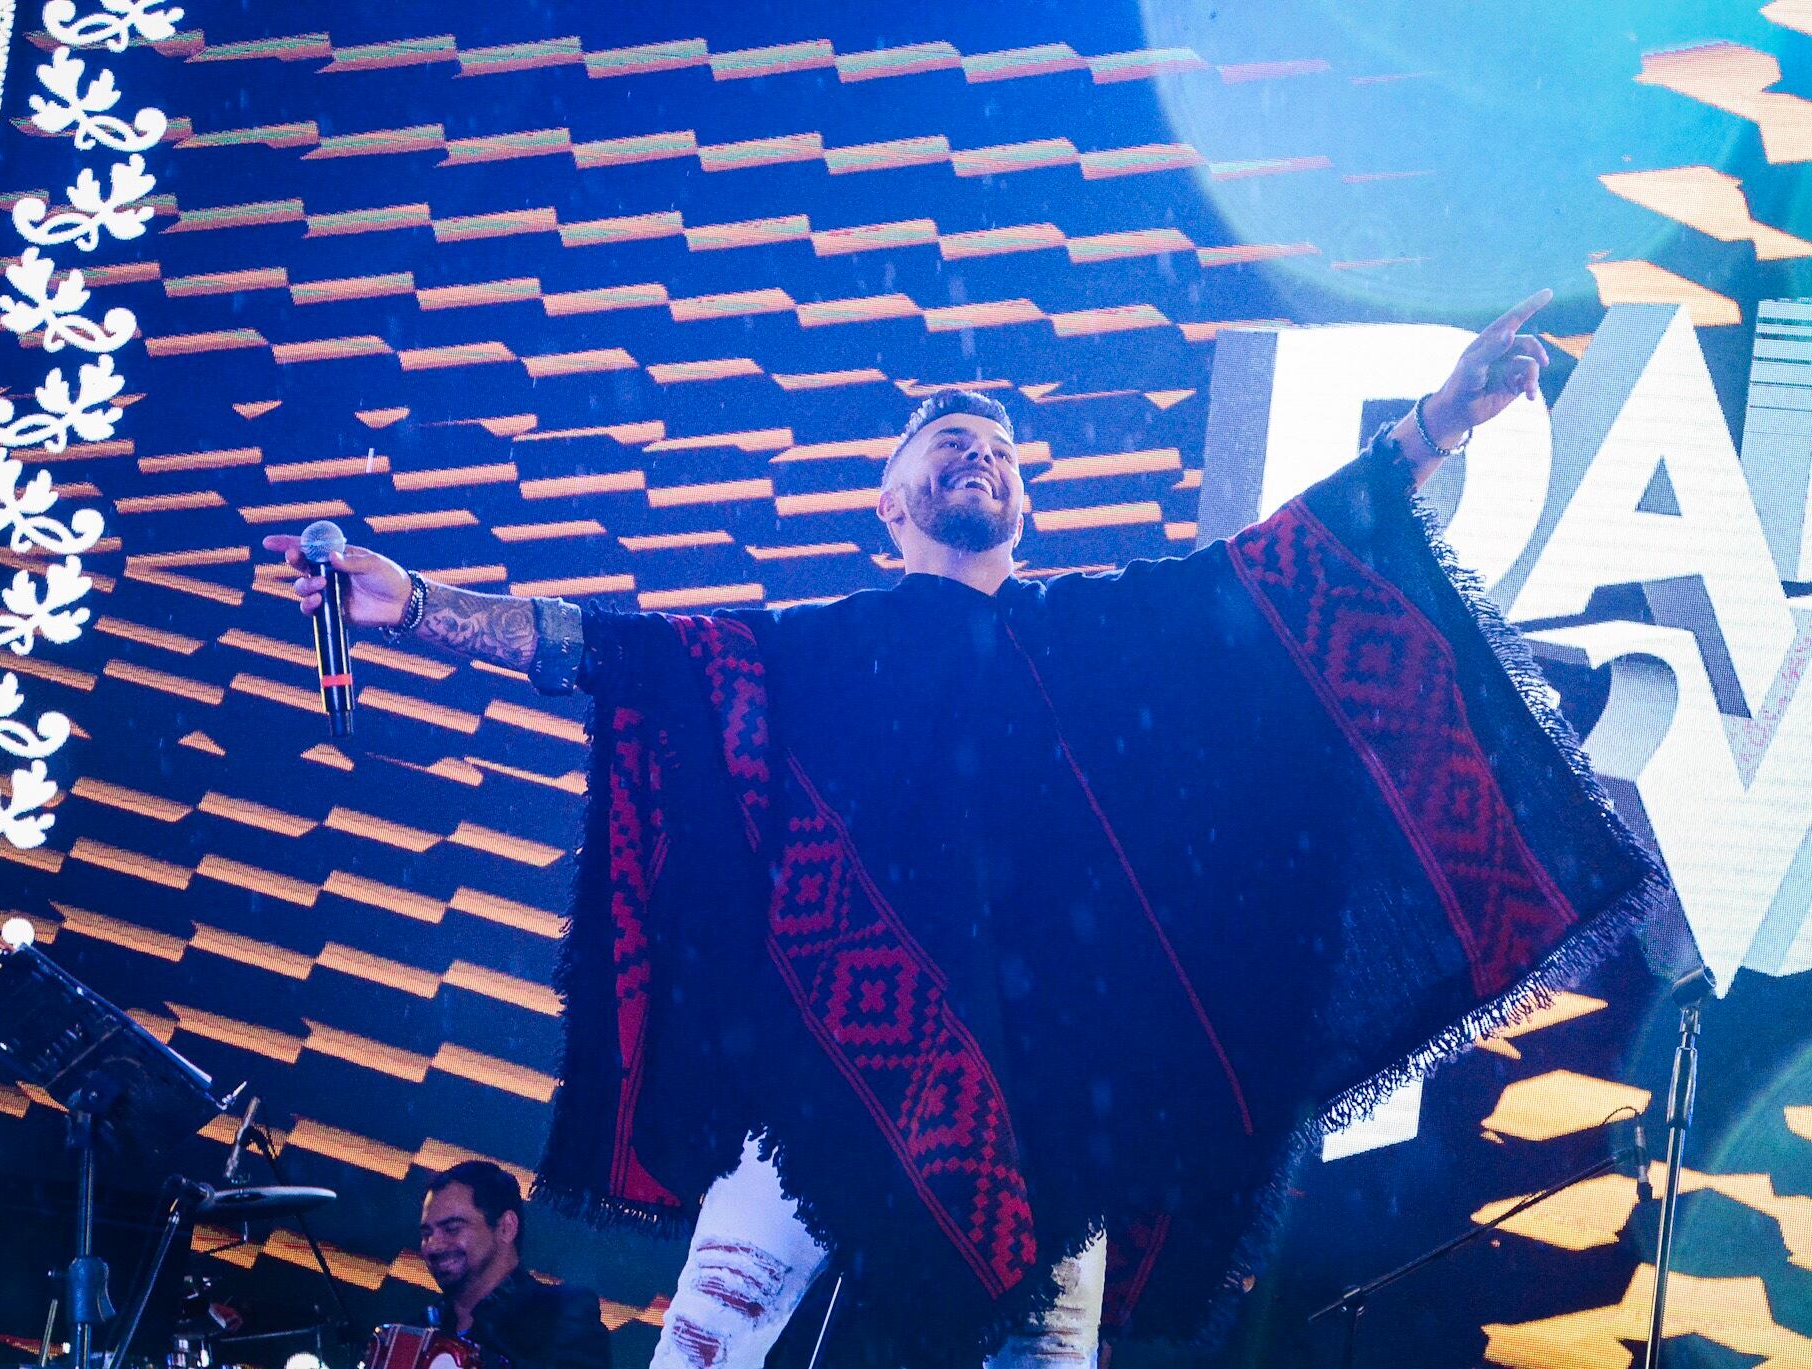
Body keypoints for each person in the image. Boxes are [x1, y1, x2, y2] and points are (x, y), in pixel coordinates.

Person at [268, 293, 1675, 1366]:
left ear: (1021, 498)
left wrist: (1430, 430)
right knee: (710, 1340)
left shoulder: (1086, 639)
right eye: (948, 446)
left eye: (997, 450)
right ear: (891, 505)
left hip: (1040, 1108)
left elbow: (1271, 583)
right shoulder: (823, 648)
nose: (978, 459)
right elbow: (628, 654)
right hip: (821, 1081)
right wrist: (418, 608)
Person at [417, 1161, 611, 1369]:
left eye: (452, 1229)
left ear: (506, 1228)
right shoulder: (418, 1329)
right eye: (426, 1234)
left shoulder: (562, 1314)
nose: (433, 1246)